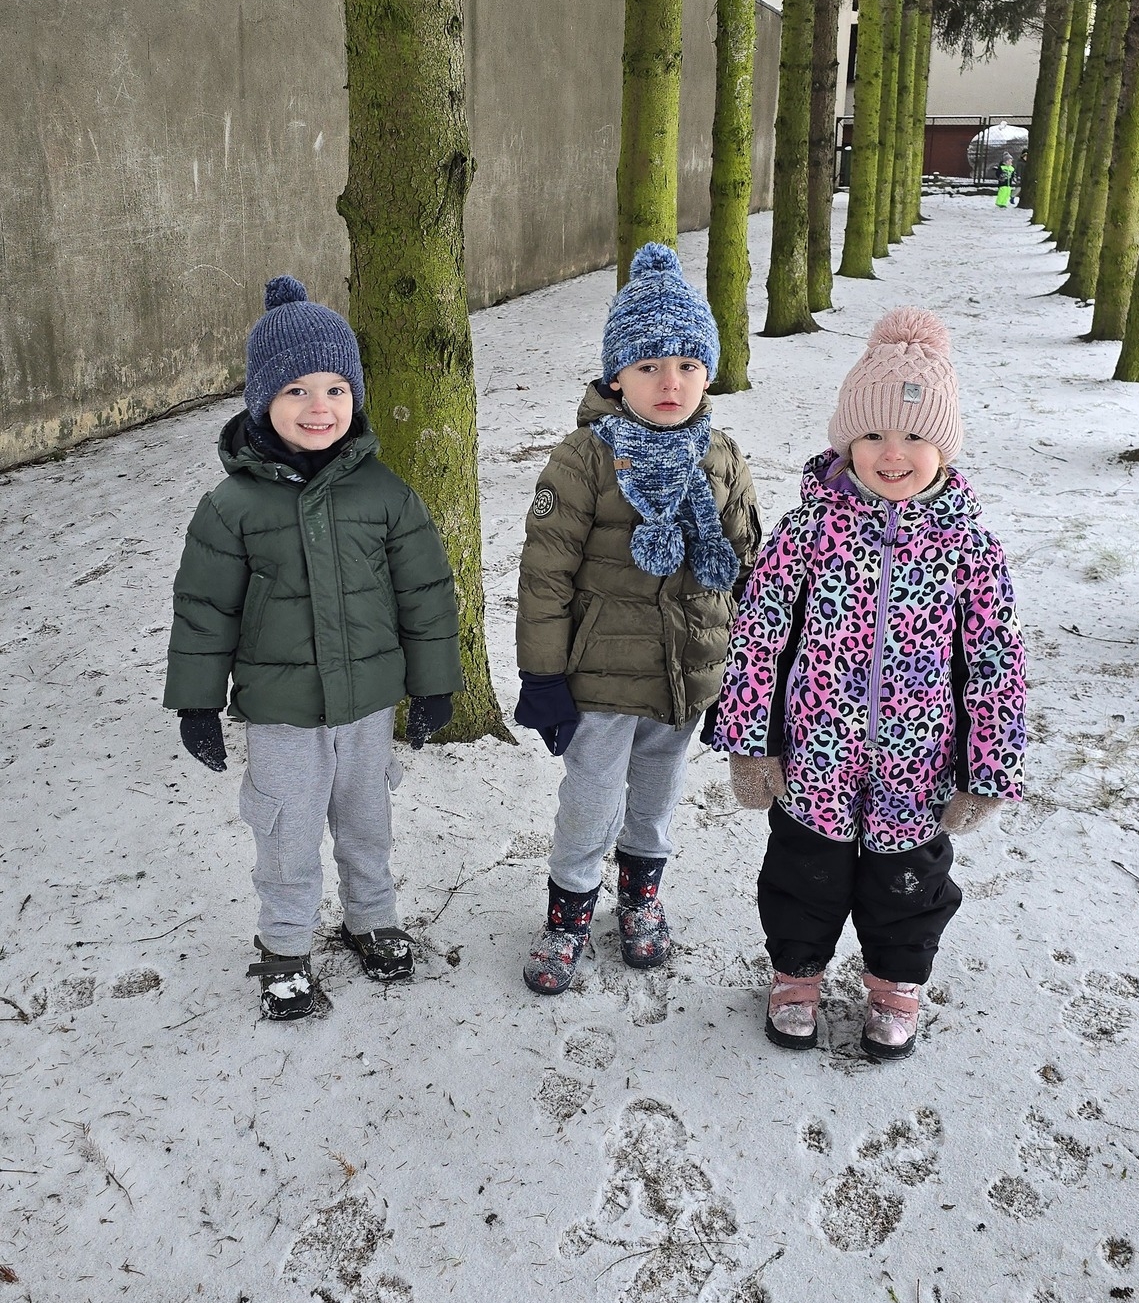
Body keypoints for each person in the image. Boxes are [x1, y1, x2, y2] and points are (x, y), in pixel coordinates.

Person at [712, 308, 1026, 1061]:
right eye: (875, 434)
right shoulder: (806, 533)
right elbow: (758, 639)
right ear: (845, 439)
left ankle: (894, 985)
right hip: (815, 758)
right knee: (803, 873)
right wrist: (750, 744)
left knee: (907, 885)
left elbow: (995, 665)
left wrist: (986, 771)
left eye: (915, 436)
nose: (893, 453)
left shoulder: (970, 548)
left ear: (943, 445)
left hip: (919, 766)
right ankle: (796, 975)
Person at [164, 277, 462, 1020]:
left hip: (366, 705)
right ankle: (286, 947)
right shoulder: (230, 507)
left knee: (367, 821)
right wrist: (197, 703)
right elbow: (204, 610)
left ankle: (372, 919)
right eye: (295, 390)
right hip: (281, 712)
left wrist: (434, 683)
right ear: (261, 399)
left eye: (335, 388)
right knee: (285, 832)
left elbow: (426, 594)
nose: (318, 406)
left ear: (355, 396)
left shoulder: (386, 494)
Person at [515, 244, 761, 994]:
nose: (670, 382)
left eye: (687, 365)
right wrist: (542, 676)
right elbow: (546, 574)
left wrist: (743, 676)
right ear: (616, 375)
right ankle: (567, 915)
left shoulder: (722, 457)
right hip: (598, 679)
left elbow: (747, 569)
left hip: (682, 677)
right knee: (589, 804)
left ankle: (640, 901)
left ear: (708, 372)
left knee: (654, 801)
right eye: (649, 365)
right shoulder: (584, 459)